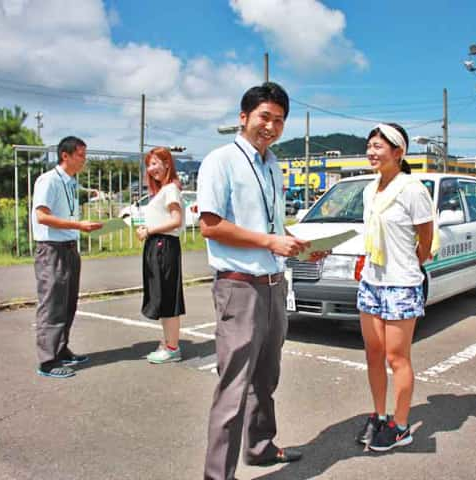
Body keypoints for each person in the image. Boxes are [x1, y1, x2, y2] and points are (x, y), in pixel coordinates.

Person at [198, 82, 321, 480]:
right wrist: (271, 240)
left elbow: (270, 224)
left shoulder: (273, 165)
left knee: (267, 377)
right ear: (244, 117)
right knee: (234, 387)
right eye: (265, 117)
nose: (271, 126)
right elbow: (210, 225)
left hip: (273, 284)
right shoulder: (221, 161)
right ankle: (219, 475)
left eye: (279, 120)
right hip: (239, 286)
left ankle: (261, 447)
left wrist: (298, 246)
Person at [355, 123, 433, 451]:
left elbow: (425, 239)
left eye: (379, 146)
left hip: (401, 284)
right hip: (371, 282)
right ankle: (379, 414)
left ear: (398, 153)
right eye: (370, 145)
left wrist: (413, 263)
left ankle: (401, 427)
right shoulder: (369, 189)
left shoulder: (412, 189)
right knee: (373, 354)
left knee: (396, 357)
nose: (372, 152)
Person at [32, 136, 103, 378]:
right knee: (52, 304)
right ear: (66, 155)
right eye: (81, 155)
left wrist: (79, 227)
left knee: (68, 303)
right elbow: (41, 216)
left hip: (70, 247)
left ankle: (61, 350)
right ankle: (47, 361)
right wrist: (77, 224)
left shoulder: (71, 182)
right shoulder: (48, 180)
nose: (84, 160)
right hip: (52, 249)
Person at [135, 147, 186, 363]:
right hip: (158, 245)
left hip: (163, 245)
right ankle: (169, 343)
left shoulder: (170, 189)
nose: (151, 168)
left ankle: (172, 348)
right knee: (162, 295)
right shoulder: (163, 190)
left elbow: (176, 220)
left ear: (167, 163)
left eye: (155, 163)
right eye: (149, 164)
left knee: (167, 297)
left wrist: (150, 231)